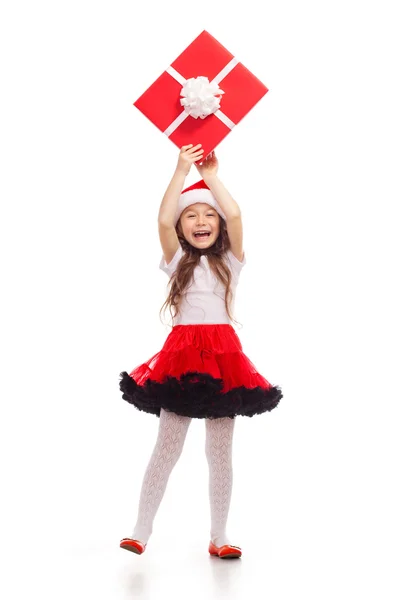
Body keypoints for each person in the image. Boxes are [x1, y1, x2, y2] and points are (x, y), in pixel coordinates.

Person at [119, 143, 283, 559]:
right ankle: (140, 530)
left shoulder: (232, 259)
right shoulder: (176, 261)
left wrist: (210, 177)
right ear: (180, 228)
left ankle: (220, 535)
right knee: (168, 446)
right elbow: (161, 217)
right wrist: (180, 170)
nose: (201, 220)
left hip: (225, 360)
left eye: (209, 214)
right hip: (183, 358)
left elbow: (237, 214)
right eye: (191, 215)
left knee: (219, 451)